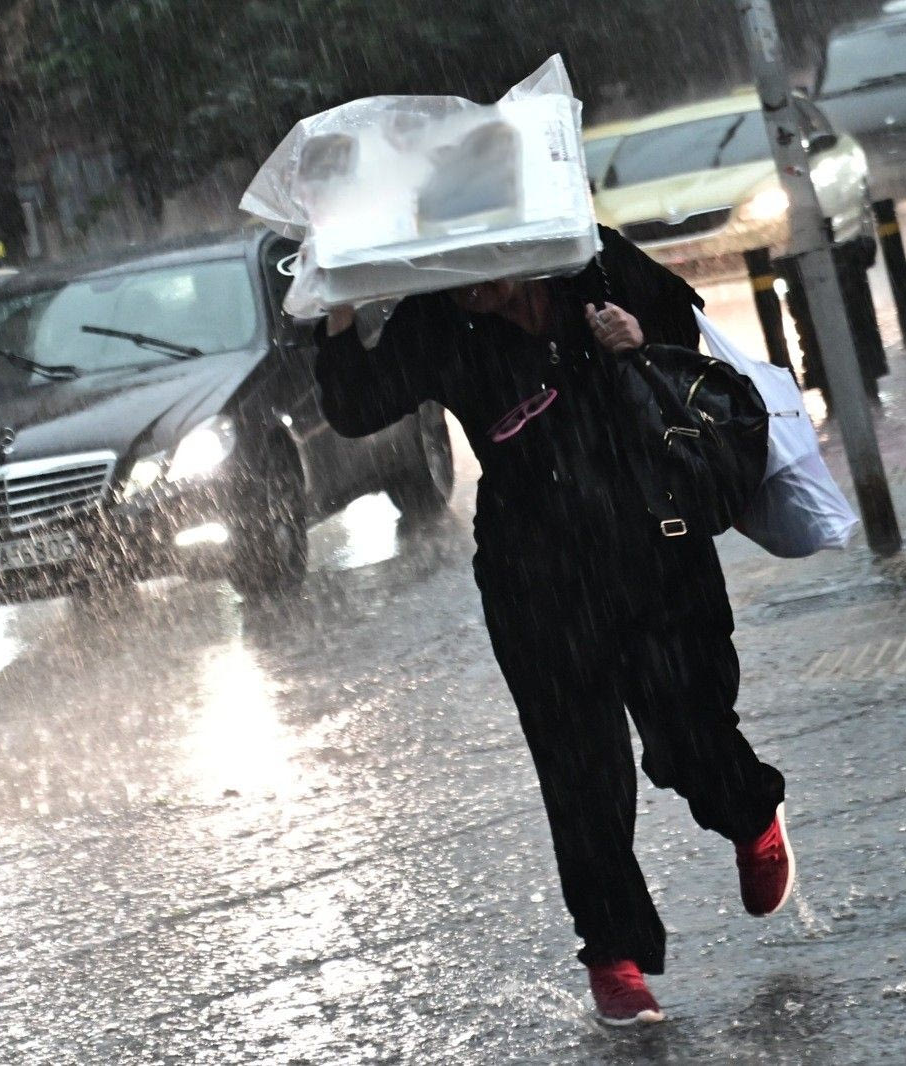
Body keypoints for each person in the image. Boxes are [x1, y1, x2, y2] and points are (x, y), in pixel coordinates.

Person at [314, 225, 793, 1026]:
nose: (470, 287)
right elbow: (356, 407)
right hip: (534, 574)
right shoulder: (436, 316)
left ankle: (749, 814)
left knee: (689, 735)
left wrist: (636, 338)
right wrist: (333, 313)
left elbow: (686, 335)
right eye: (452, 274)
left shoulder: (588, 257)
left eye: (482, 270)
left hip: (654, 543)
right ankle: (614, 956)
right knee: (580, 774)